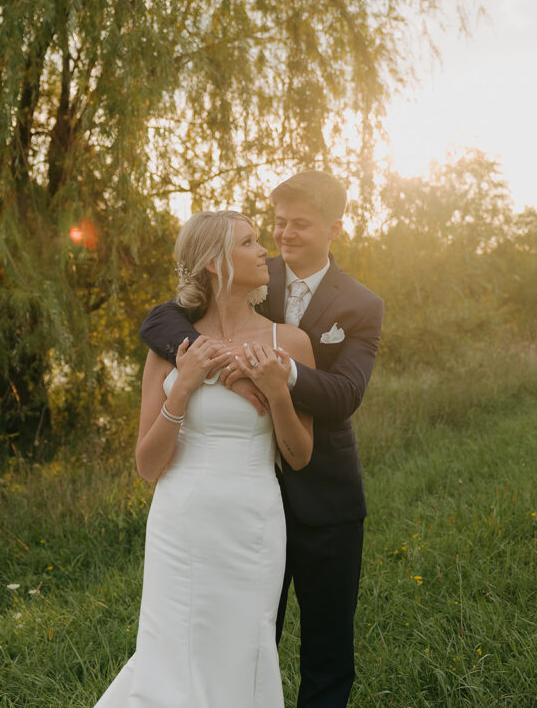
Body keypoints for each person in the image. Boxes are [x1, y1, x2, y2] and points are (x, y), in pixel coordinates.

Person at [140, 170, 384, 708]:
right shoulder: (248, 273)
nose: (284, 235)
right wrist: (226, 368)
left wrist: (282, 379)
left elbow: (344, 394)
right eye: (277, 223)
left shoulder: (361, 305)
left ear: (334, 227)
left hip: (325, 495)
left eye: (300, 224)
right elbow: (160, 321)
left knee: (327, 652)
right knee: (244, 641)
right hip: (236, 505)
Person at [94, 210, 315, 708]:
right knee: (173, 648)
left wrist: (279, 393)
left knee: (246, 647)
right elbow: (148, 467)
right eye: (250, 242)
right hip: (181, 521)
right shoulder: (167, 351)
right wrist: (185, 387)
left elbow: (299, 457)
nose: (266, 250)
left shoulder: (290, 342)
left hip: (253, 520)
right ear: (216, 263)